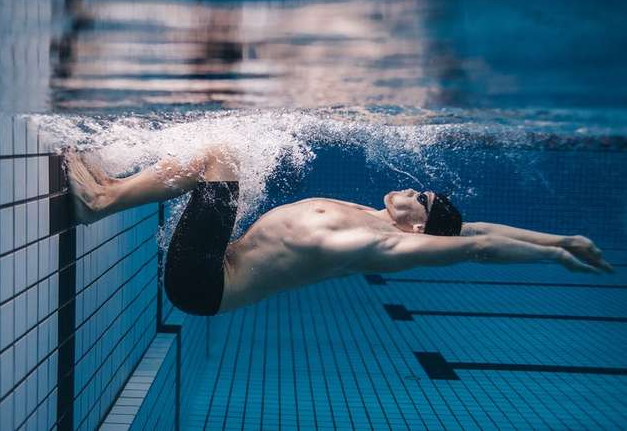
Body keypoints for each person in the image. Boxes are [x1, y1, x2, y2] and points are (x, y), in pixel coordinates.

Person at [63, 146, 614, 317]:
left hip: (206, 283)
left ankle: (102, 200)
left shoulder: (385, 241)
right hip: (216, 262)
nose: (416, 188)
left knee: (219, 158)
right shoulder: (376, 215)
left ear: (418, 224)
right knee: (221, 157)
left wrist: (550, 263)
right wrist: (561, 240)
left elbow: (479, 247)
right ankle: (112, 186)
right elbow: (483, 227)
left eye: (422, 197)